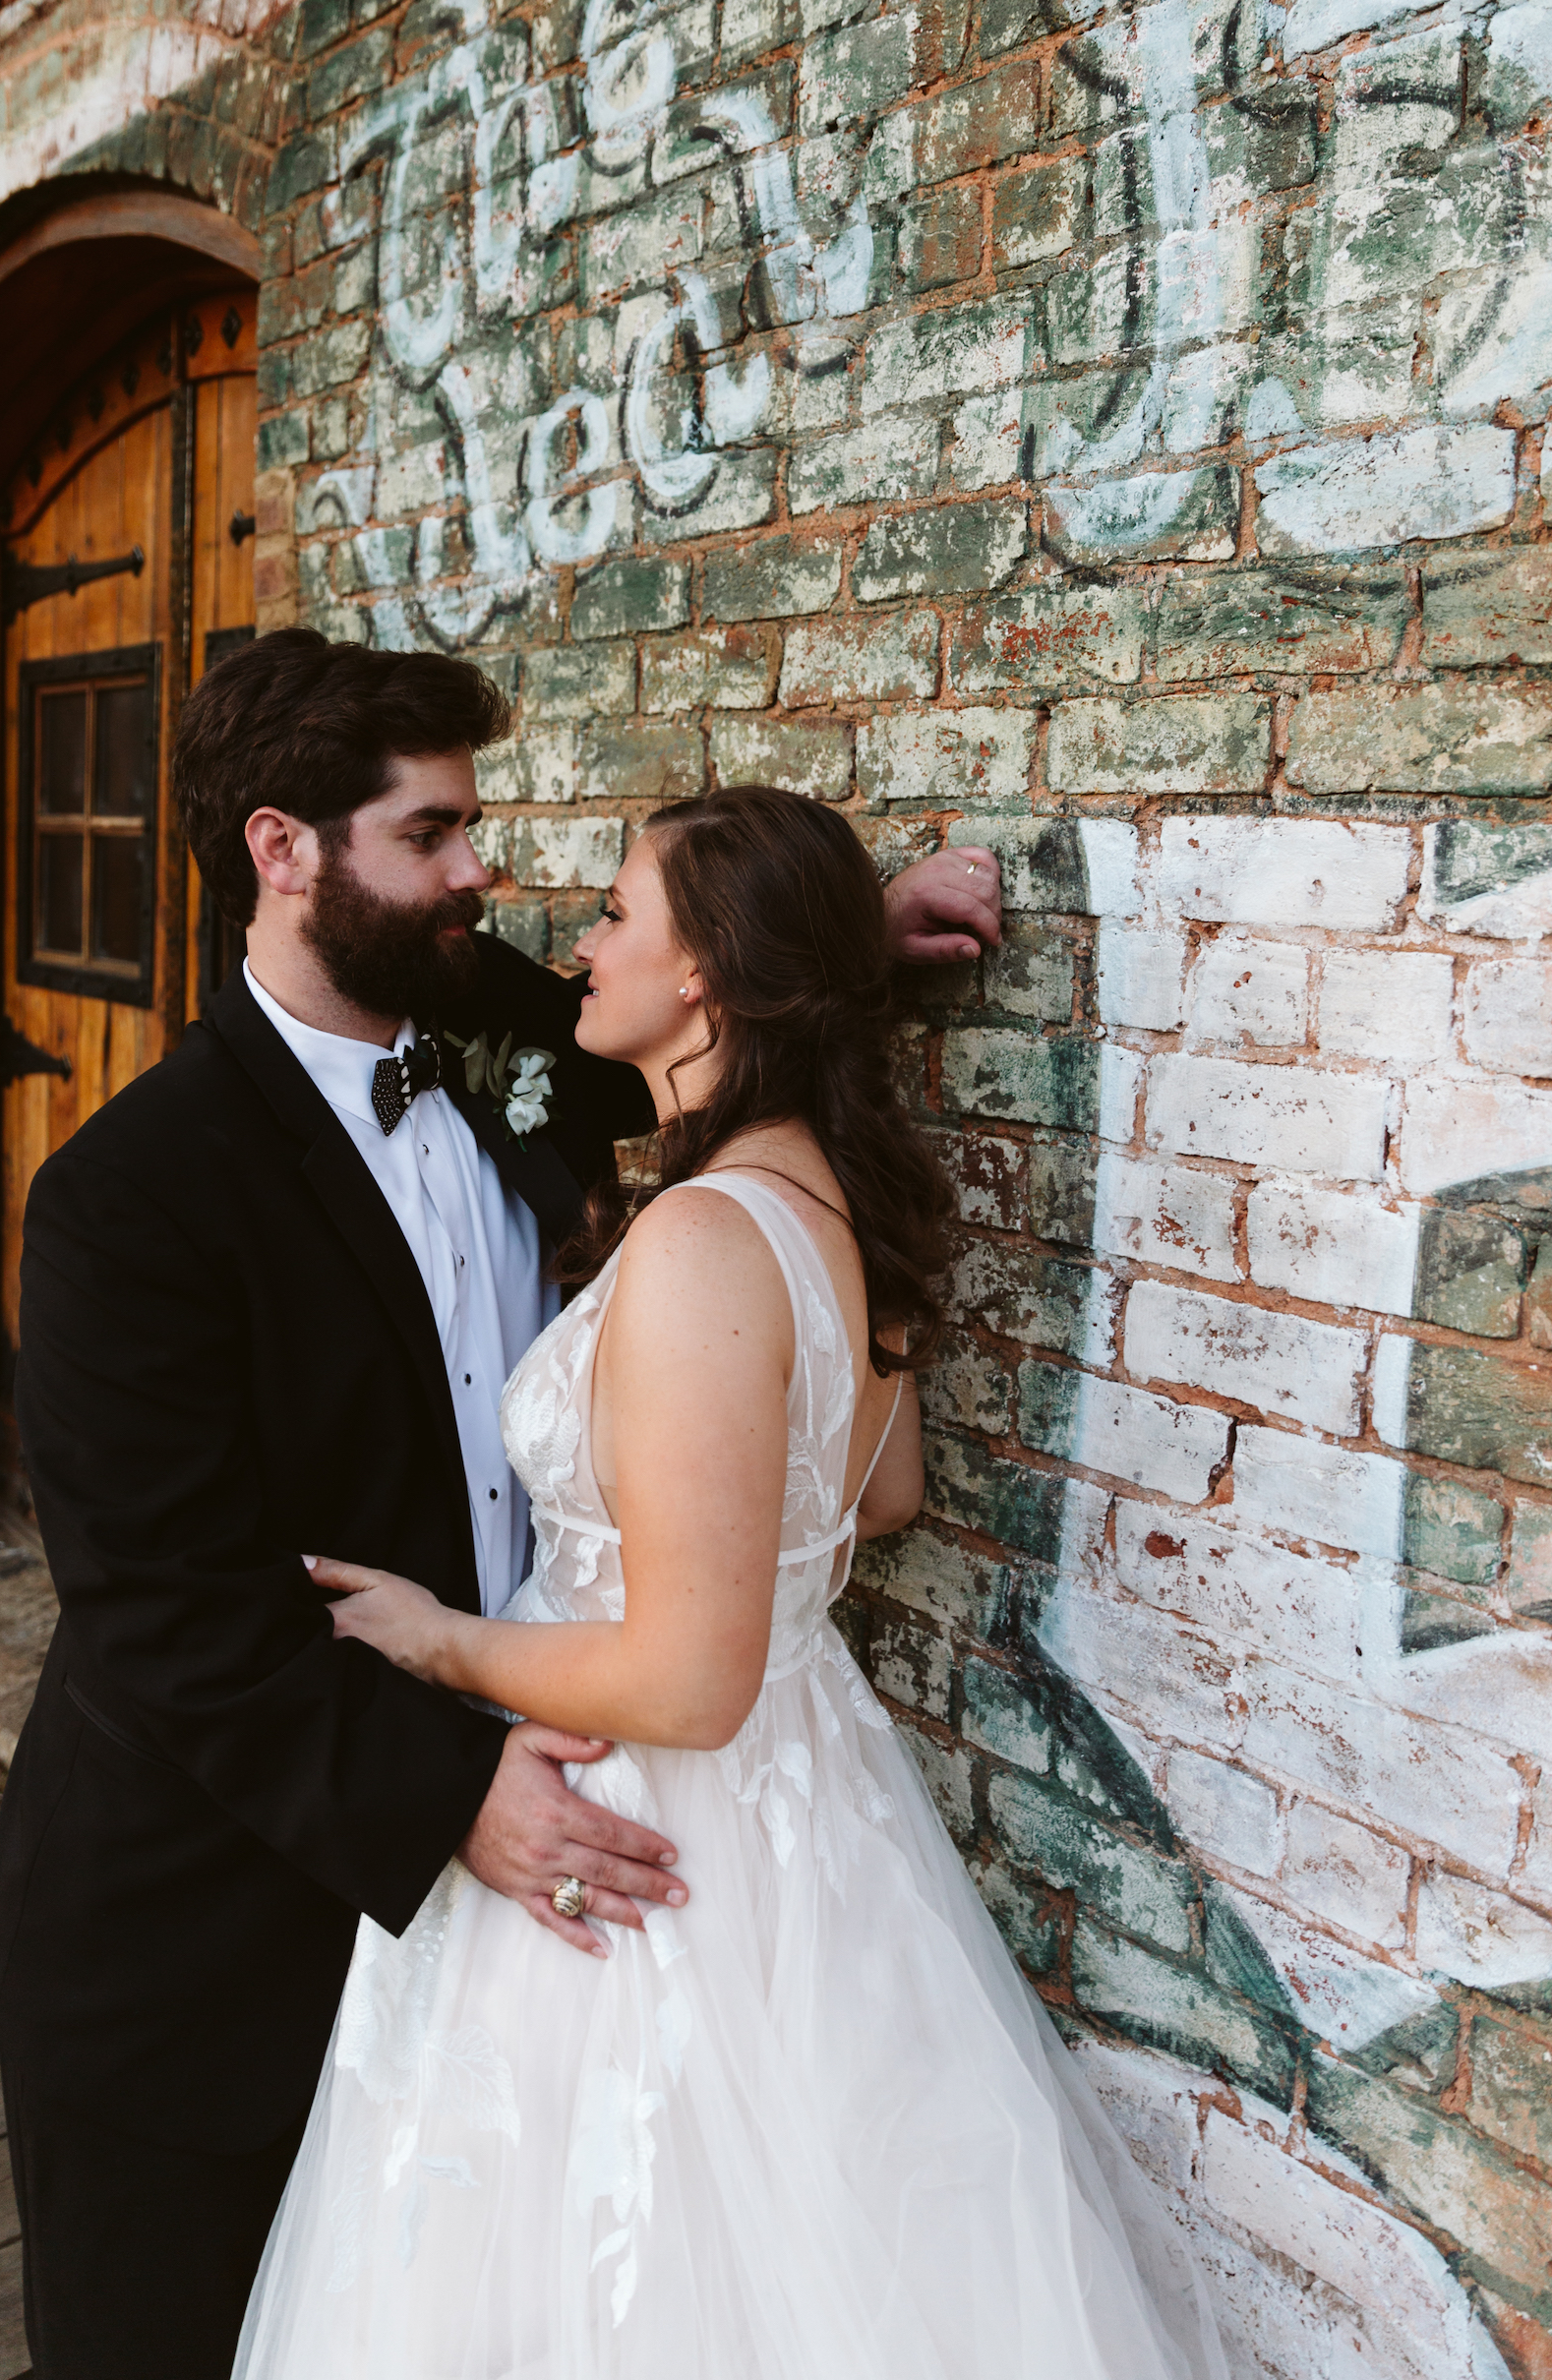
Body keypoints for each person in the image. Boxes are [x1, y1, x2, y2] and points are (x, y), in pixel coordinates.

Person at [0, 629, 1003, 2380]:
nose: (487, 874)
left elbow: (730, 1014)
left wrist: (877, 924)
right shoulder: (121, 1205)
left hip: (517, 1960)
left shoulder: (507, 1034)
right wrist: (455, 1790)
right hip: (205, 1941)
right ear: (283, 851)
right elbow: (171, 1616)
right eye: (436, 834)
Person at [232, 784, 1227, 2380]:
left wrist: (440, 1642)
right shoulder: (824, 1194)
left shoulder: (704, 1235)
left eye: (619, 913)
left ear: (702, 976)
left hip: (637, 1817)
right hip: (802, 1802)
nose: (581, 945)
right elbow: (880, 1491)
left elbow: (694, 1677)